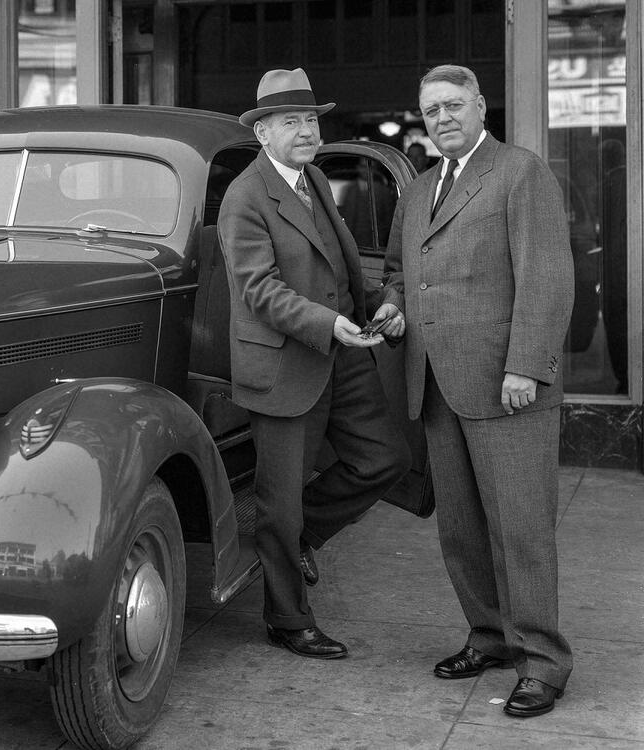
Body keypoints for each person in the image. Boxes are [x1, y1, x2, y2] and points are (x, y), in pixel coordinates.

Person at [383, 64, 574, 717]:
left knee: (521, 530)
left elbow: (547, 277)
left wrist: (528, 365)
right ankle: (490, 636)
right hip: (437, 383)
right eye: (431, 108)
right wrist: (393, 308)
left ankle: (544, 662)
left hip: (506, 384)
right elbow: (397, 273)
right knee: (461, 531)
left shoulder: (520, 174)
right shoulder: (416, 192)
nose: (442, 117)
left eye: (454, 105)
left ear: (481, 106)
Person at [218, 68, 411, 659]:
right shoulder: (245, 196)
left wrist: (381, 304)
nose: (306, 132)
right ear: (263, 133)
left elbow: (345, 264)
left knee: (385, 459)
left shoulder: (316, 179)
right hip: (286, 364)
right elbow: (259, 289)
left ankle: (305, 537)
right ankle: (287, 619)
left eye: (311, 120)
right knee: (279, 501)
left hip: (344, 351)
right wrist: (328, 324)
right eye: (290, 122)